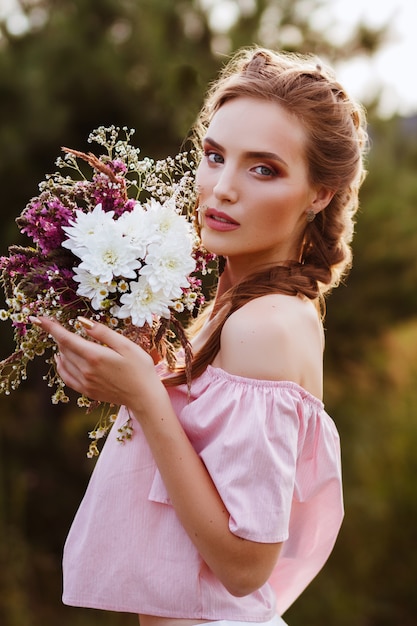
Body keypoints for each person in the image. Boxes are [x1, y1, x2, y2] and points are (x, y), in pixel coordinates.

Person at [31, 47, 368, 625]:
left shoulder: (267, 326)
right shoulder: (232, 310)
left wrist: (143, 395)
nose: (222, 189)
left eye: (263, 168)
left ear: (320, 193)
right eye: (214, 156)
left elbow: (244, 568)